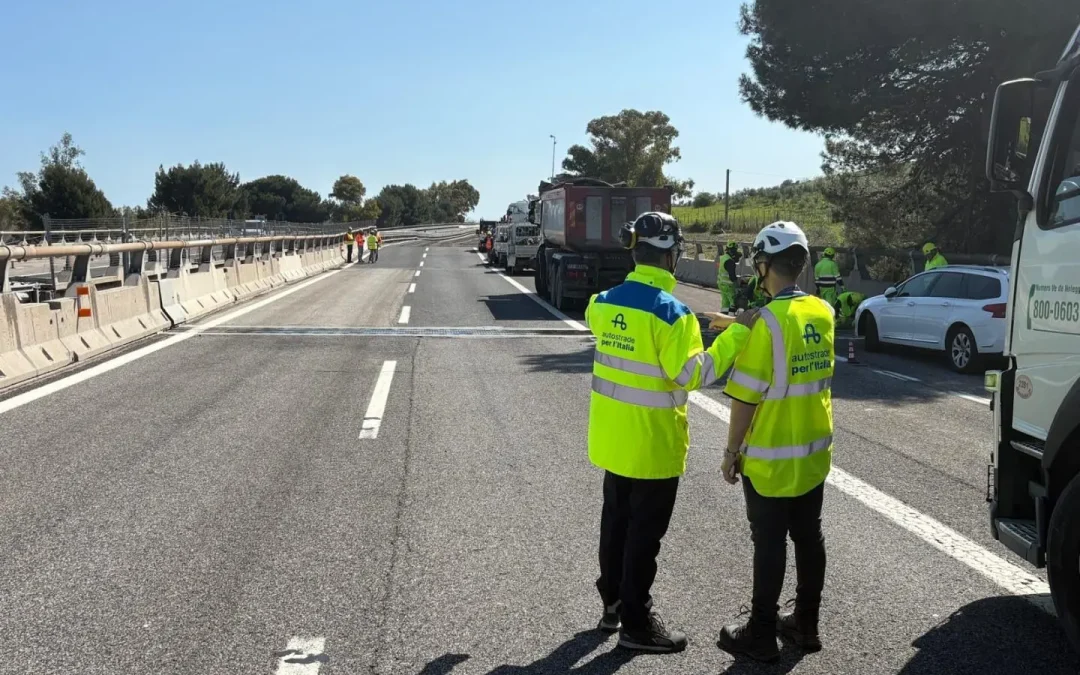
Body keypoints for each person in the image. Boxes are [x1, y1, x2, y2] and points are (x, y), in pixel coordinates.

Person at [586, 212, 760, 654]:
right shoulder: (673, 315)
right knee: (645, 535)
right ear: (671, 254)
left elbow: (614, 335)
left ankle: (612, 605)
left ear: (634, 250)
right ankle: (637, 625)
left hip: (612, 438)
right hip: (654, 444)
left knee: (616, 523)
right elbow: (691, 374)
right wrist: (736, 335)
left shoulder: (602, 302)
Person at [716, 221, 835, 663]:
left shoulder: (766, 322)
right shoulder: (823, 311)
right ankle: (806, 623)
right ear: (802, 264)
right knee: (809, 536)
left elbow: (745, 398)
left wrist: (731, 453)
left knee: (768, 541)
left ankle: (761, 633)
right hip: (813, 453)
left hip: (769, 459)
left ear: (764, 266)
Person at [717, 242, 741, 312]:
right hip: (729, 286)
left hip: (721, 284)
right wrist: (737, 287)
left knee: (725, 303)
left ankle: (723, 316)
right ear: (731, 251)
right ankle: (730, 319)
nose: (735, 252)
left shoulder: (723, 258)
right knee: (733, 304)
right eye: (734, 250)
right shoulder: (730, 261)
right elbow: (732, 277)